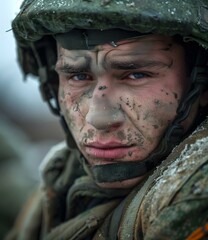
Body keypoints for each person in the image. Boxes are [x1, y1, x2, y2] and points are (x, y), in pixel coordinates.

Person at [6, 0, 208, 239]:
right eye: (78, 76)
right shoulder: (62, 180)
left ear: (201, 84)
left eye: (136, 74)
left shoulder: (196, 194)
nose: (98, 117)